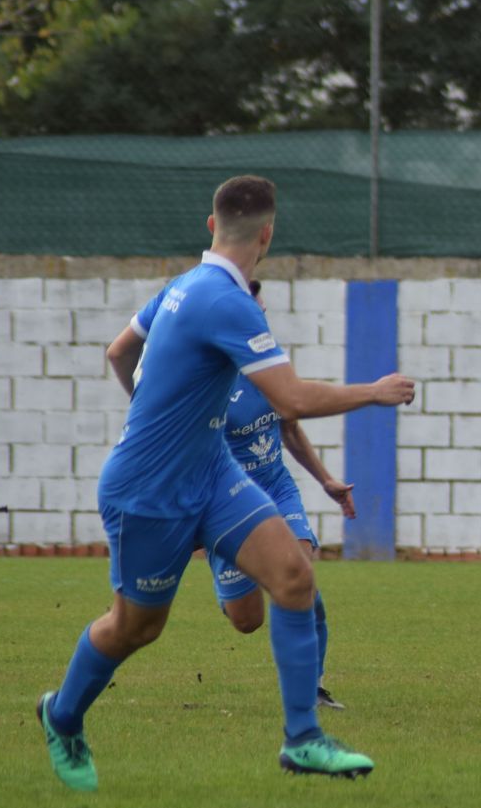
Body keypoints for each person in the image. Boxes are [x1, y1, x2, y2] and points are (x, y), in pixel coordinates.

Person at [36, 175, 415, 791]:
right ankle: (61, 715)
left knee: (293, 575)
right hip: (149, 488)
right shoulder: (226, 301)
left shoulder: (182, 287)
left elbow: (116, 352)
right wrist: (373, 391)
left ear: (212, 226)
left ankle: (303, 740)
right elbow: (290, 397)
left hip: (211, 470)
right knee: (136, 628)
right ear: (267, 235)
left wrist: (156, 411)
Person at [118, 278, 359, 705]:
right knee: (246, 620)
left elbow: (290, 426)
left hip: (275, 488)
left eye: (263, 313)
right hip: (227, 503)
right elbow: (129, 372)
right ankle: (232, 583)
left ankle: (312, 690)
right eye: (255, 313)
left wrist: (326, 481)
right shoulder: (199, 382)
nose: (260, 320)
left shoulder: (267, 367)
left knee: (303, 579)